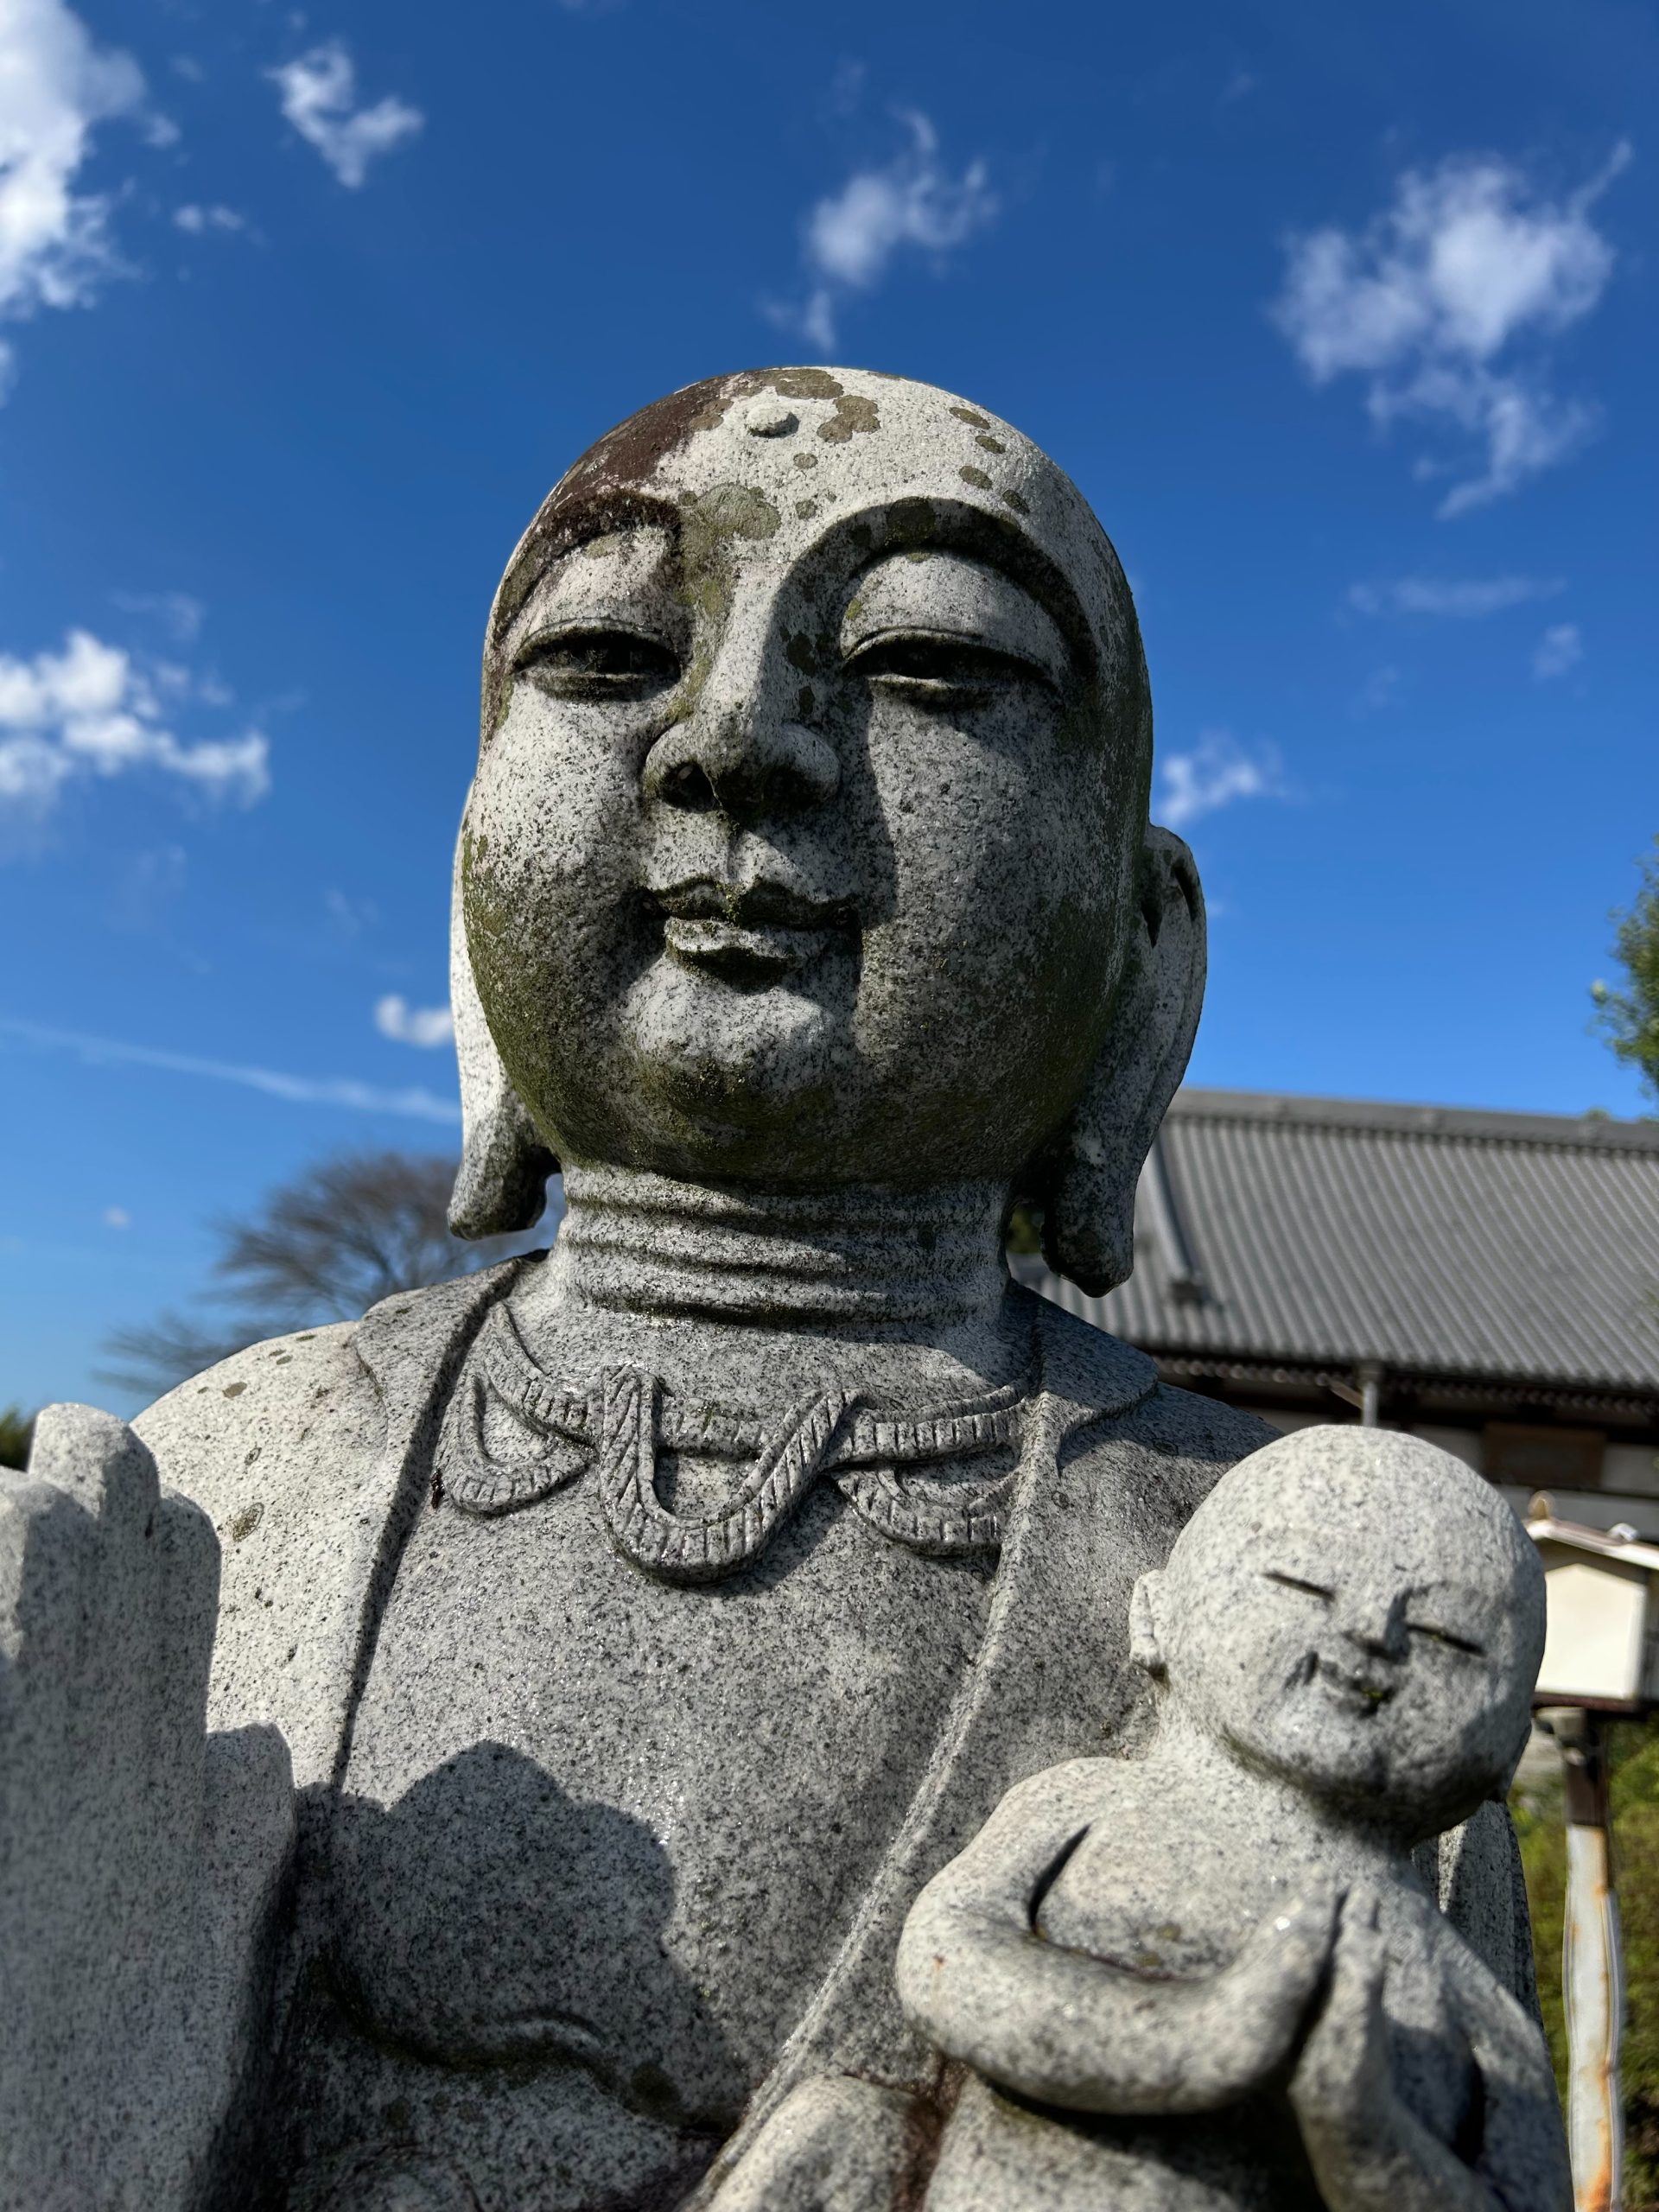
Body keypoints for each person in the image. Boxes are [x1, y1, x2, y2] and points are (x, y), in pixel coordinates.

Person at [0, 372, 1542, 2212]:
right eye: (602, 656)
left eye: (935, 664)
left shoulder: (1299, 1578)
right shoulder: (224, 1480)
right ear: (469, 896)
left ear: (1146, 956)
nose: (736, 738)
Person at [894, 1428, 1570, 2212]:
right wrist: (1190, 2036)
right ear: (1156, 1616)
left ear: (1510, 1745)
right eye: (1304, 1581)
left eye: (1446, 1636)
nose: (1370, 1634)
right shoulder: (1087, 1803)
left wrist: (1366, 2135)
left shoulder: (1475, 2009)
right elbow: (947, 1955)